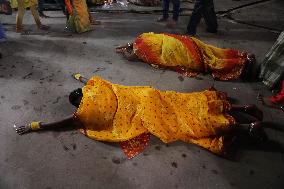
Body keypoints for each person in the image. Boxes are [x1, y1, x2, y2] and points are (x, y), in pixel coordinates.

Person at [14, 75, 266, 157]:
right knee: (185, 104)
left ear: (78, 104)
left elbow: (61, 124)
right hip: (149, 95)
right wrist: (79, 76)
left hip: (145, 115)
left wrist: (35, 126)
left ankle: (244, 127)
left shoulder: (84, 114)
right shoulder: (99, 86)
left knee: (182, 124)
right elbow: (89, 77)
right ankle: (241, 110)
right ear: (84, 91)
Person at [116, 32, 255, 81]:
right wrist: (127, 45)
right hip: (185, 41)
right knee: (212, 50)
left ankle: (241, 64)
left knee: (208, 63)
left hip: (178, 52)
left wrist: (123, 52)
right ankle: (243, 56)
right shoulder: (144, 36)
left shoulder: (139, 52)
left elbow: (129, 57)